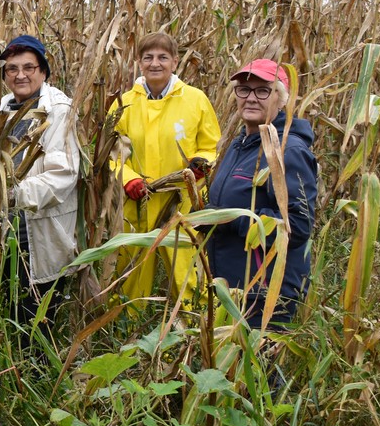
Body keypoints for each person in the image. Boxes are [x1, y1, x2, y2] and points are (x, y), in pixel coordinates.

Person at [110, 32, 221, 309]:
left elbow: (211, 146)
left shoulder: (195, 100)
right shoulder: (124, 103)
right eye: (148, 57)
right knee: (131, 269)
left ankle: (195, 328)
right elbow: (109, 151)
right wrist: (128, 178)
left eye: (162, 57)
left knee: (187, 270)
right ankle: (126, 327)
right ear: (139, 62)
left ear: (175, 61)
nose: (155, 63)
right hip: (136, 201)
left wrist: (199, 165)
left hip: (181, 201)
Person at [205, 59, 318, 326]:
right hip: (233, 289)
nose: (251, 98)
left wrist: (230, 219)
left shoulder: (287, 151)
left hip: (265, 296)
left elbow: (297, 227)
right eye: (244, 90)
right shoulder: (239, 144)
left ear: (281, 99)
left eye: (262, 91)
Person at [0, 35, 81, 342]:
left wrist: (12, 194)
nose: (20, 75)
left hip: (40, 233)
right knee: (9, 313)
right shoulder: (5, 108)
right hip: (8, 230)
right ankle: (14, 377)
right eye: (12, 69)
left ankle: (40, 382)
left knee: (37, 323)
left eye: (29, 67)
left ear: (43, 72)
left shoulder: (58, 110)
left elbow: (63, 175)